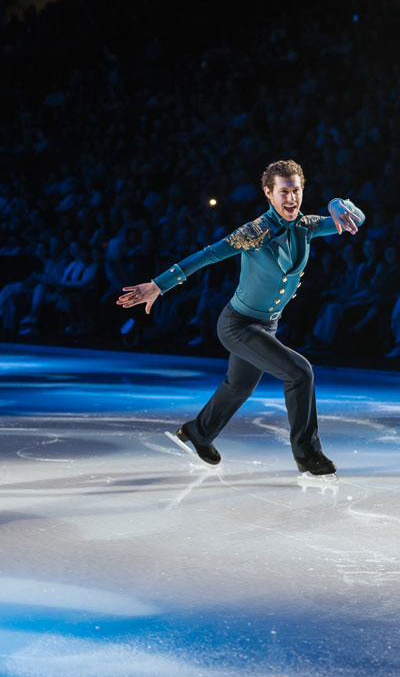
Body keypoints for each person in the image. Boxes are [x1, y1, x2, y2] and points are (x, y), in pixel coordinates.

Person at [117, 160, 364, 480]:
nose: (291, 199)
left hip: (266, 326)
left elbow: (356, 219)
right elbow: (207, 254)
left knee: (240, 386)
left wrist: (335, 204)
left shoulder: (307, 226)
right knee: (300, 372)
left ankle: (198, 433)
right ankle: (307, 453)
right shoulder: (255, 231)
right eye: (284, 192)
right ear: (268, 193)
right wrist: (159, 284)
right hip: (238, 325)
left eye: (296, 191)